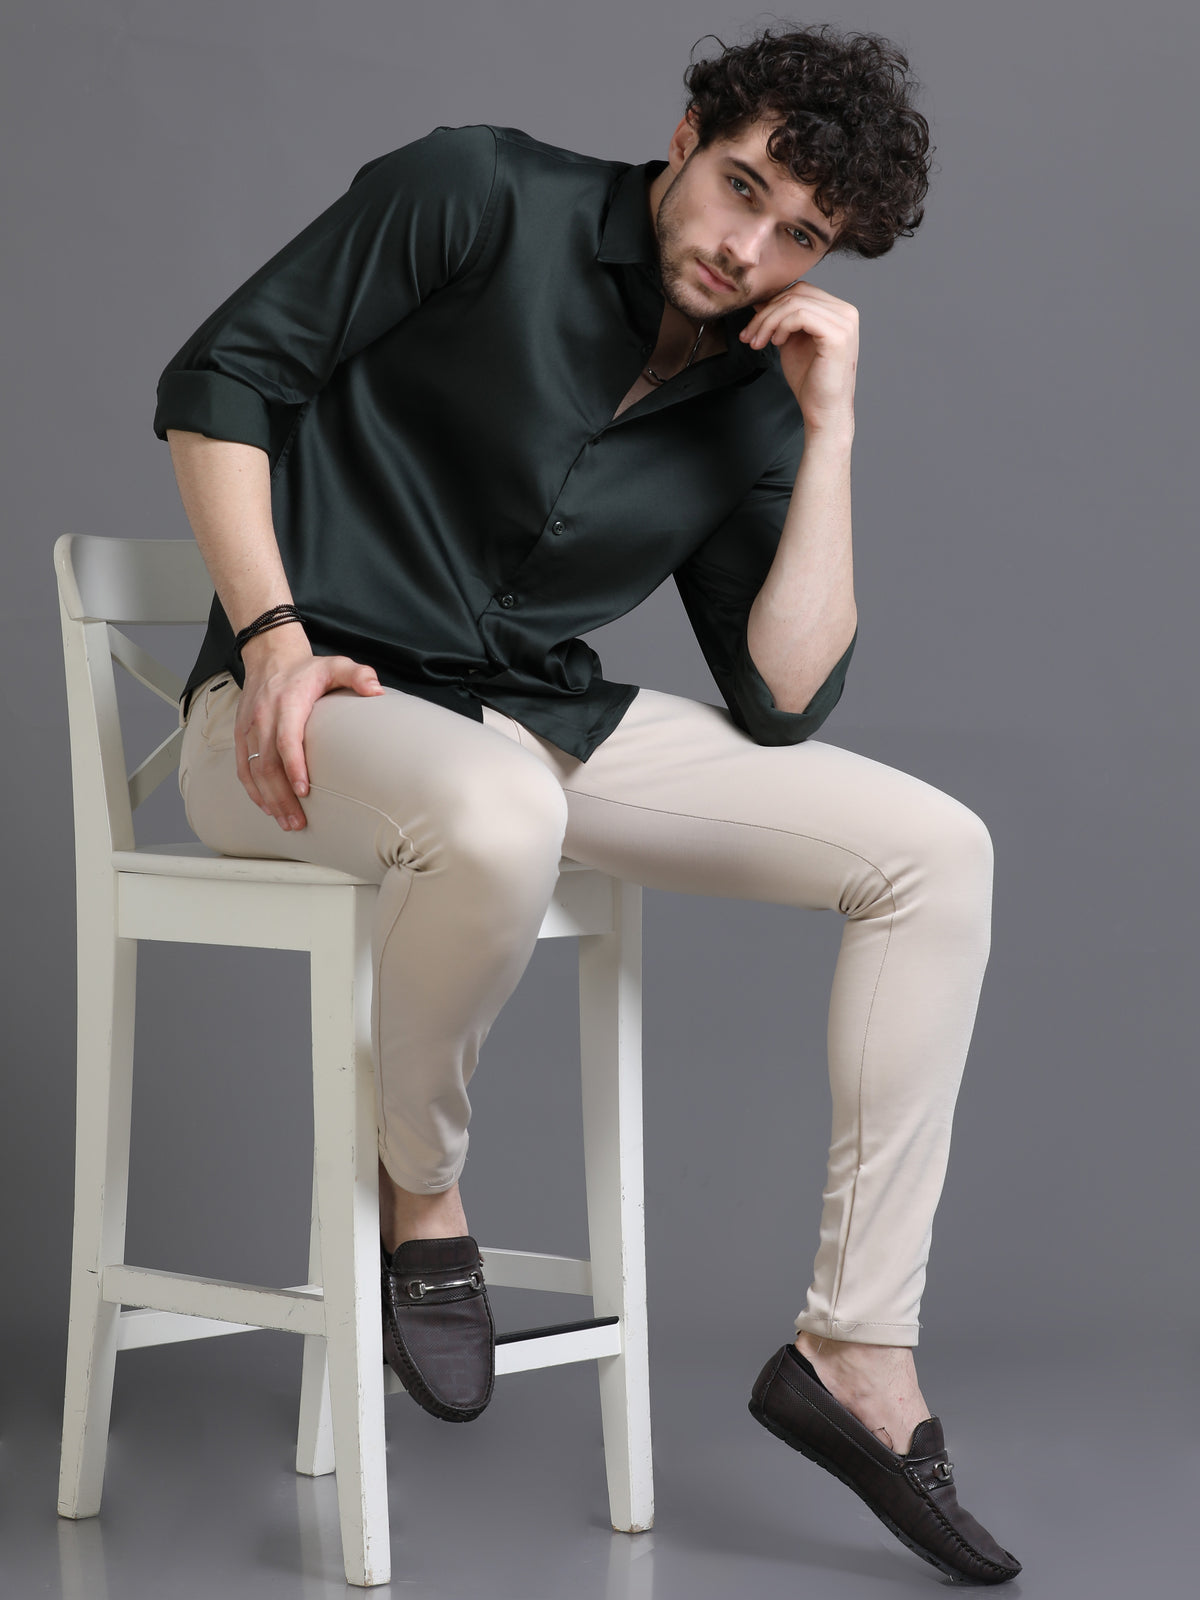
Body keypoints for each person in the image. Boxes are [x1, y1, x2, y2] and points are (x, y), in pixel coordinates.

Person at [154, 24, 1021, 1585]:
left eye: (799, 237)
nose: (745, 248)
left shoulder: (758, 386)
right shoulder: (477, 189)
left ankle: (857, 1353)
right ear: (684, 131)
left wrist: (826, 431)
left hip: (525, 718)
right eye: (739, 187)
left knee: (934, 851)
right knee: (499, 811)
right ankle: (419, 1179)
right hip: (293, 718)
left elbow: (781, 694)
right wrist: (274, 630)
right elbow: (220, 375)